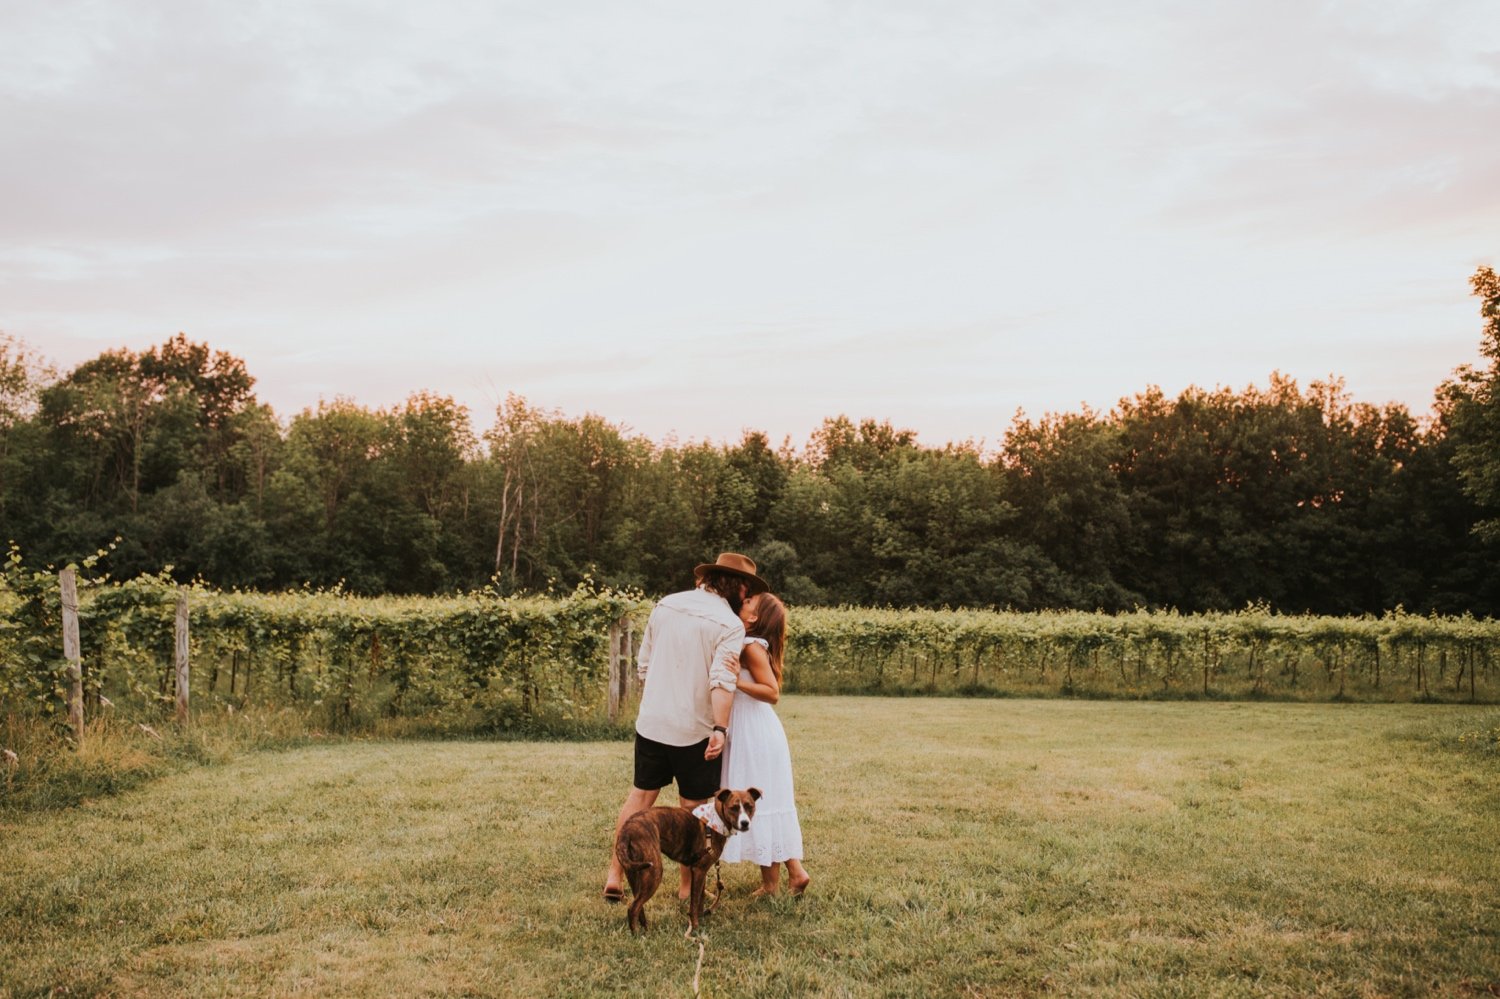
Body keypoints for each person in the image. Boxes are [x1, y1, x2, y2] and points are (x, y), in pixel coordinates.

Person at [602, 552, 769, 904]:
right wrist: (720, 728)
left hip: (652, 722)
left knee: (640, 797)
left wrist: (659, 700)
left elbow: (643, 664)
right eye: (748, 591)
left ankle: (615, 875)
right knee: (693, 811)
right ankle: (685, 888)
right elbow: (722, 681)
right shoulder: (729, 624)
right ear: (738, 587)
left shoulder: (666, 604)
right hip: (694, 729)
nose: (748, 598)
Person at [718, 592, 811, 897]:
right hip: (752, 727)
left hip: (754, 731)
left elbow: (772, 692)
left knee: (760, 805)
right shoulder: (750, 644)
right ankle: (789, 875)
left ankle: (777, 882)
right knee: (768, 806)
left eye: (748, 602)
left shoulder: (750, 647)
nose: (741, 601)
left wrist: (736, 682)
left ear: (755, 616)